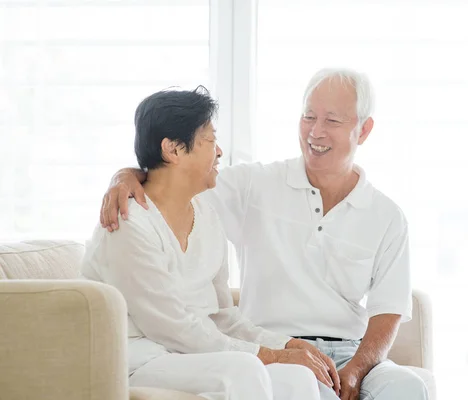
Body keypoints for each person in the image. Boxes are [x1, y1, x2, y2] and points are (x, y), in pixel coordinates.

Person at [101, 69, 429, 400]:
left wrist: (356, 371)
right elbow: (173, 179)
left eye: (332, 121)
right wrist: (127, 175)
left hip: (348, 351)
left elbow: (388, 310)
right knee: (311, 389)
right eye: (308, 116)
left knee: (407, 388)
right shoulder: (252, 186)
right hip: (269, 341)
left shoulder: (387, 216)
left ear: (364, 129)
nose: (316, 131)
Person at [81, 86, 325, 400]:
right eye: (210, 139)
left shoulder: (208, 215)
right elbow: (170, 327)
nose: (219, 151)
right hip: (135, 358)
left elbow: (222, 316)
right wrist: (268, 355)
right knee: (243, 371)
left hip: (187, 353)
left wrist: (284, 345)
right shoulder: (129, 224)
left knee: (296, 377)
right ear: (173, 150)